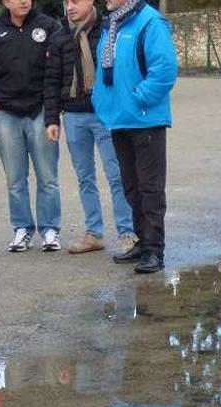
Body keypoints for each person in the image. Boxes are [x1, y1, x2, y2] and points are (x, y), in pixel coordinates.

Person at [44, 0, 136, 255]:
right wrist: (51, 119)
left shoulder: (109, 29)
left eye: (75, 1)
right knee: (85, 178)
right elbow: (51, 81)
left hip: (105, 115)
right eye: (66, 2)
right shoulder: (60, 37)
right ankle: (94, 233)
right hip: (73, 116)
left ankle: (127, 233)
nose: (69, 7)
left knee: (117, 174)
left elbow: (121, 72)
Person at [92, 0, 177, 274]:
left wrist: (138, 99)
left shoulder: (150, 22)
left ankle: (155, 250)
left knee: (150, 187)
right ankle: (141, 242)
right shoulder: (113, 22)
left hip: (145, 119)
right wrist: (102, 101)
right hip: (119, 119)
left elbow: (164, 69)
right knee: (131, 185)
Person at [0, 0, 61, 253]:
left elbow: (56, 70)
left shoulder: (49, 27)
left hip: (40, 111)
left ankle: (50, 230)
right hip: (6, 114)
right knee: (15, 178)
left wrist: (52, 112)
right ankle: (22, 229)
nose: (23, 1)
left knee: (47, 176)